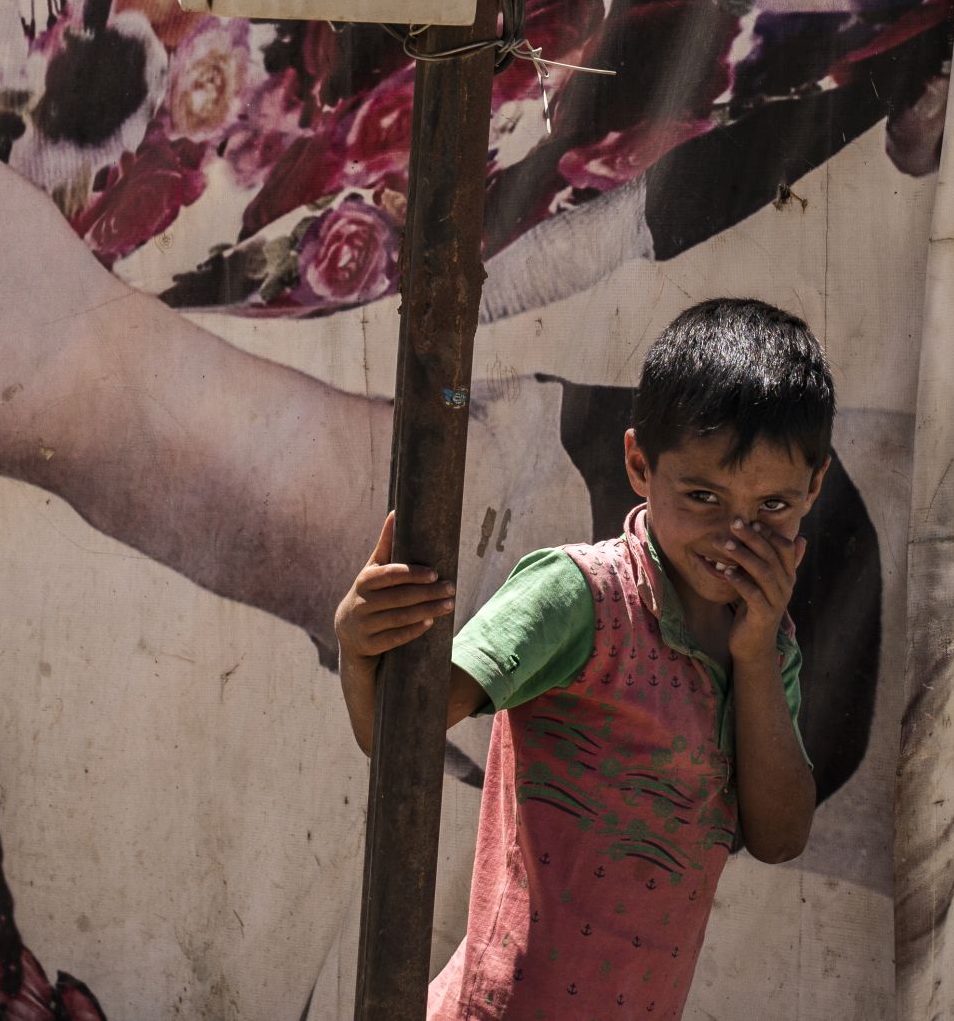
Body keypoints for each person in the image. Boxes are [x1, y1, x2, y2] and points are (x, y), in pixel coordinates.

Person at [334, 298, 828, 1019]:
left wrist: (753, 658)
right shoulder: (582, 598)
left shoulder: (766, 643)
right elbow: (399, 734)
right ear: (638, 464)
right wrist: (356, 647)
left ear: (813, 491)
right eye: (702, 496)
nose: (735, 535)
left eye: (773, 509)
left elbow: (781, 837)